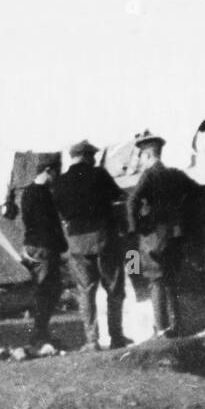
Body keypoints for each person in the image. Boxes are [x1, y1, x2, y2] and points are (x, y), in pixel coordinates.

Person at [53, 139, 130, 351]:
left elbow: (58, 212)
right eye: (93, 155)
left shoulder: (59, 182)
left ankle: (92, 340)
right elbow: (120, 197)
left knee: (85, 291)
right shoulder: (99, 174)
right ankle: (116, 337)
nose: (95, 158)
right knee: (114, 289)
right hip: (103, 238)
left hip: (76, 242)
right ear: (87, 156)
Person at [127, 132, 201, 338]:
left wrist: (136, 228)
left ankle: (161, 328)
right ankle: (176, 325)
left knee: (156, 280)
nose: (141, 160)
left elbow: (132, 201)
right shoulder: (176, 175)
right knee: (170, 280)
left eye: (141, 156)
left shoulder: (149, 175)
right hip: (175, 236)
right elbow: (197, 193)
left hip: (154, 237)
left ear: (147, 155)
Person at [19, 155, 67, 352]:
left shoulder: (28, 192)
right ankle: (39, 335)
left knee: (45, 290)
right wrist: (61, 246)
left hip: (33, 246)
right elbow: (49, 225)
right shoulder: (43, 194)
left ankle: (41, 333)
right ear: (48, 170)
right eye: (56, 172)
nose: (57, 176)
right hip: (44, 248)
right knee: (48, 290)